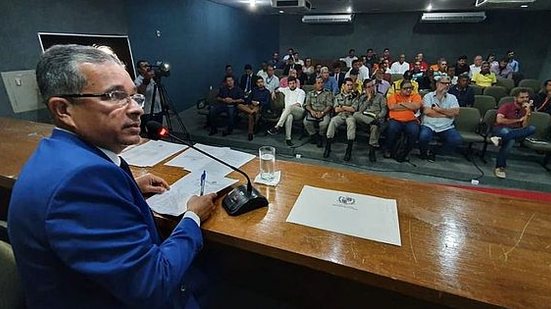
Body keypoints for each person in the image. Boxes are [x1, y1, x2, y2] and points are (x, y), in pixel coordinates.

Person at [8, 44, 217, 308]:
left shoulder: (60, 153)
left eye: (134, 96)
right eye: (114, 96)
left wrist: (129, 187)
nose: (136, 109)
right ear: (63, 110)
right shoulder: (82, 181)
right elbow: (153, 284)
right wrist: (192, 217)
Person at [490, 89, 536, 178]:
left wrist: (527, 113)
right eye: (522, 97)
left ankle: (500, 139)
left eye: (527, 97)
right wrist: (518, 120)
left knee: (532, 128)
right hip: (501, 129)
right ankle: (500, 167)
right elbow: (499, 121)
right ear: (515, 98)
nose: (525, 99)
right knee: (509, 139)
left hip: (516, 131)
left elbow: (524, 126)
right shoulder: (506, 106)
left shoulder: (526, 109)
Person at [419, 76, 462, 162]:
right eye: (443, 83)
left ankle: (434, 152)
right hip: (429, 124)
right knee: (423, 137)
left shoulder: (452, 98)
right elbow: (428, 112)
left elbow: (455, 112)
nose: (446, 86)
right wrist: (446, 114)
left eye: (448, 84)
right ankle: (423, 154)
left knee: (456, 140)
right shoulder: (428, 96)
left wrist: (439, 110)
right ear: (437, 84)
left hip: (446, 126)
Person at [384, 80, 422, 161]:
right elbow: (391, 107)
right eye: (406, 88)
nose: (408, 90)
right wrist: (409, 105)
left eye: (410, 88)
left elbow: (416, 106)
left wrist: (401, 104)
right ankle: (388, 150)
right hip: (395, 120)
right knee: (392, 128)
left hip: (411, 120)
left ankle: (406, 152)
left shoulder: (416, 96)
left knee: (414, 131)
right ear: (400, 89)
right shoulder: (393, 96)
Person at [324, 78, 358, 161]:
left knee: (351, 123)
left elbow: (354, 109)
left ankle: (348, 150)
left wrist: (342, 107)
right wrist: (347, 108)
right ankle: (328, 147)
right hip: (340, 115)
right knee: (333, 121)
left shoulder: (354, 96)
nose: (350, 87)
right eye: (348, 85)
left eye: (351, 85)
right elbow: (336, 109)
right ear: (343, 85)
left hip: (350, 116)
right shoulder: (338, 96)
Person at [353, 78, 387, 162]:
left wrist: (378, 116)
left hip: (376, 118)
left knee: (375, 126)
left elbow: (384, 110)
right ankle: (372, 122)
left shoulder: (380, 96)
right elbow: (360, 111)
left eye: (372, 86)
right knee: (355, 114)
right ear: (365, 89)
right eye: (368, 87)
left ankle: (372, 151)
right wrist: (368, 99)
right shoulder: (363, 98)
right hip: (364, 120)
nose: (371, 88)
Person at [267, 76, 306, 146]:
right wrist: (273, 92)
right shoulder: (286, 89)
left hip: (299, 112)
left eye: (293, 83)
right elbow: (278, 90)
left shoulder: (301, 92)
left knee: (289, 108)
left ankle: (277, 126)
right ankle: (288, 139)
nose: (292, 85)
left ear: (296, 83)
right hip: (288, 112)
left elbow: (299, 104)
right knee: (289, 117)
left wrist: (288, 108)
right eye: (290, 84)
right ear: (288, 84)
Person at [303, 76, 334, 147]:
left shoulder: (328, 93)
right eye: (318, 83)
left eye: (322, 83)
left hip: (324, 112)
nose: (321, 84)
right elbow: (307, 105)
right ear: (314, 85)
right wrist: (311, 111)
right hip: (312, 112)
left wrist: (323, 112)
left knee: (323, 124)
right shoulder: (310, 93)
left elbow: (329, 105)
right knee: (306, 122)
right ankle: (313, 136)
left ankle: (320, 136)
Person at [135, 60, 162, 137]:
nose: (147, 68)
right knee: (152, 133)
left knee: (160, 131)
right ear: (139, 69)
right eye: (144, 66)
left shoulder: (152, 78)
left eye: (148, 65)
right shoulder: (138, 81)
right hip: (148, 112)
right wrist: (146, 80)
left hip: (158, 109)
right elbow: (140, 93)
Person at [239, 76, 270, 141]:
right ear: (256, 83)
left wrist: (258, 103)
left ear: (263, 82)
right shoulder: (254, 90)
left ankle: (250, 133)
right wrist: (251, 101)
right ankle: (252, 112)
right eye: (258, 82)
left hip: (259, 106)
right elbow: (248, 99)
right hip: (251, 105)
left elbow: (267, 103)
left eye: (261, 82)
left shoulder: (267, 92)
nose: (260, 83)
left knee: (250, 116)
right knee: (239, 105)